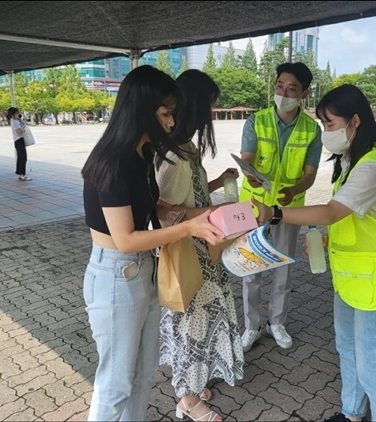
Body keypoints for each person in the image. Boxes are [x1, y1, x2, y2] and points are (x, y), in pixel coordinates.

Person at [250, 84, 376, 422]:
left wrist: (274, 213)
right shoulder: (352, 160)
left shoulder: (374, 165)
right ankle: (352, 414)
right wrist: (330, 239)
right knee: (348, 351)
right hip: (352, 281)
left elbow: (330, 212)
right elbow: (352, 217)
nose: (325, 132)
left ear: (355, 121)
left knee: (373, 368)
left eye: (329, 124)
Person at [80, 65, 225, 422]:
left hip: (142, 271)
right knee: (115, 384)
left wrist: (202, 214)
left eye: (173, 112)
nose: (173, 122)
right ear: (141, 110)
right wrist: (187, 229)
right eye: (165, 113)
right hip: (115, 274)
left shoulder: (141, 154)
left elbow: (154, 206)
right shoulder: (113, 162)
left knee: (143, 376)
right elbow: (126, 239)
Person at [155, 69, 244, 422]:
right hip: (191, 255)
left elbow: (189, 193)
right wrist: (214, 211)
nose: (211, 114)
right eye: (209, 107)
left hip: (204, 250)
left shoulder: (184, 149)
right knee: (193, 327)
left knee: (202, 324)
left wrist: (218, 182)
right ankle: (188, 400)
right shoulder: (174, 156)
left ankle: (192, 384)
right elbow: (166, 210)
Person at [238, 62, 322, 352]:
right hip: (254, 205)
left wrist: (294, 190)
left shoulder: (312, 129)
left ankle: (277, 323)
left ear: (304, 93)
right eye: (279, 86)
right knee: (252, 266)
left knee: (283, 266)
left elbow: (309, 175)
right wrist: (249, 172)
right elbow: (247, 157)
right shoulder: (256, 120)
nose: (284, 92)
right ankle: (251, 326)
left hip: (289, 209)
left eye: (292, 88)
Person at [7, 107, 31, 181]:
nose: (18, 115)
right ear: (12, 115)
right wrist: (23, 129)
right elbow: (21, 131)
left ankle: (20, 173)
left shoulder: (16, 121)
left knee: (20, 157)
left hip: (18, 140)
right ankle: (22, 175)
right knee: (23, 158)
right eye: (16, 113)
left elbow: (23, 125)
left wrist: (20, 120)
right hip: (19, 140)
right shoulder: (14, 122)